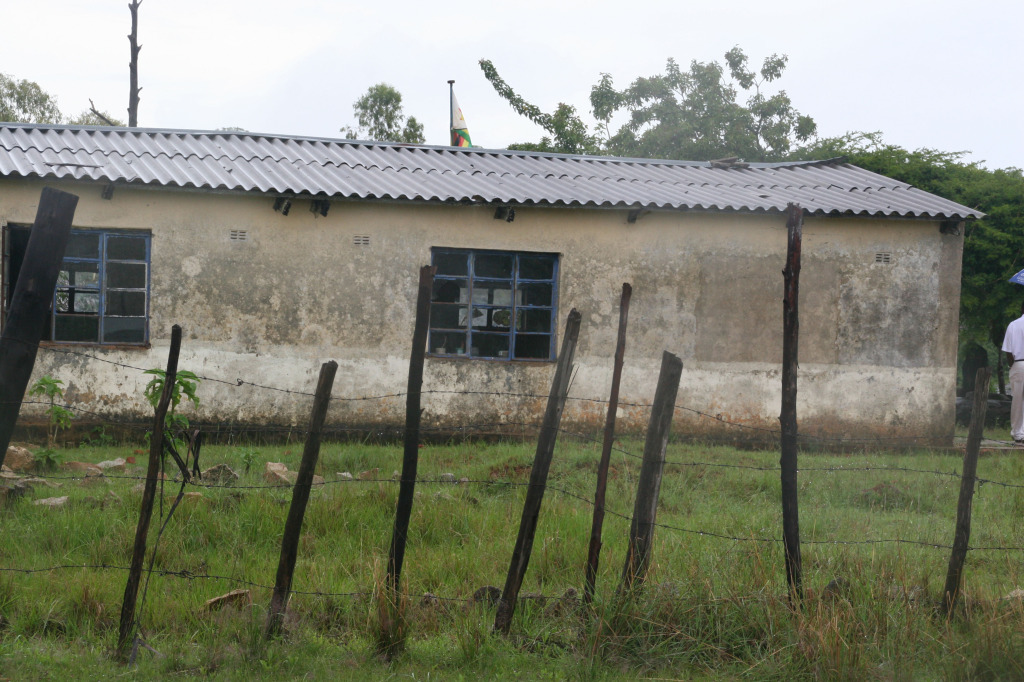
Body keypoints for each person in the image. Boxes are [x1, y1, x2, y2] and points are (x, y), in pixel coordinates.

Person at [1002, 301, 1024, 443]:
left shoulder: (1014, 325)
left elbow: (1008, 351)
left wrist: (1013, 366)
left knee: (1018, 399)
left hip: (1019, 363)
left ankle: (1018, 433)